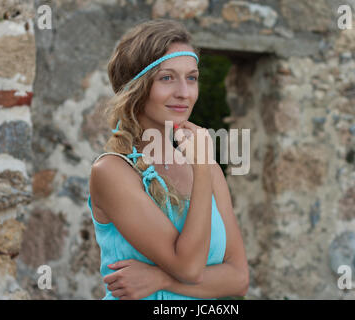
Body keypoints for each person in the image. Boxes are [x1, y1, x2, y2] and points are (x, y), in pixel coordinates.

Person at [87, 19, 249, 300]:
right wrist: (201, 168)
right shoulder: (112, 171)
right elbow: (189, 268)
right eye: (166, 78)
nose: (184, 93)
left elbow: (238, 278)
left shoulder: (207, 166)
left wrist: (159, 279)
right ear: (136, 88)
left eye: (191, 77)